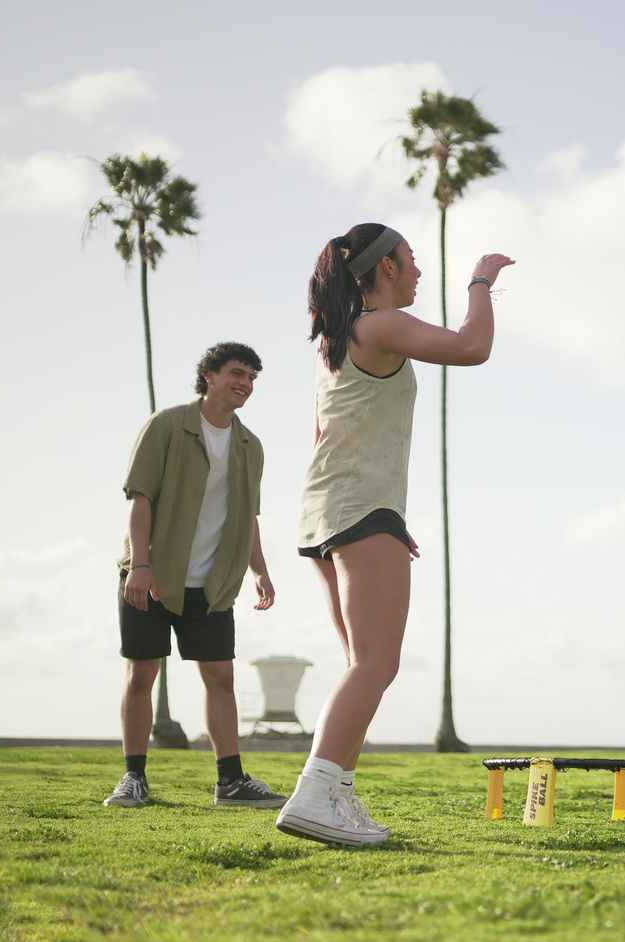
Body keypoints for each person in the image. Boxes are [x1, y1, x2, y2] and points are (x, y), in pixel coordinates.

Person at [275, 223, 513, 845]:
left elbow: (324, 436)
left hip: (330, 511)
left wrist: (384, 520)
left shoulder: (337, 339)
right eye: (411, 260)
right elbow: (472, 347)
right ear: (386, 268)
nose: (417, 271)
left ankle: (337, 795)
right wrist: (481, 280)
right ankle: (314, 795)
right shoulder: (378, 325)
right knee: (376, 664)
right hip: (358, 508)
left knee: (364, 664)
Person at [104, 343, 285, 809]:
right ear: (209, 375)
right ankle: (134, 778)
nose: (245, 383)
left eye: (252, 377)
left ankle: (231, 782)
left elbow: (248, 517)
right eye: (237, 373)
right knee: (142, 673)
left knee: (221, 678)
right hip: (152, 575)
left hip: (213, 583)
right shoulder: (166, 425)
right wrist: (139, 565)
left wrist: (260, 570)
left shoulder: (250, 446)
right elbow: (139, 497)